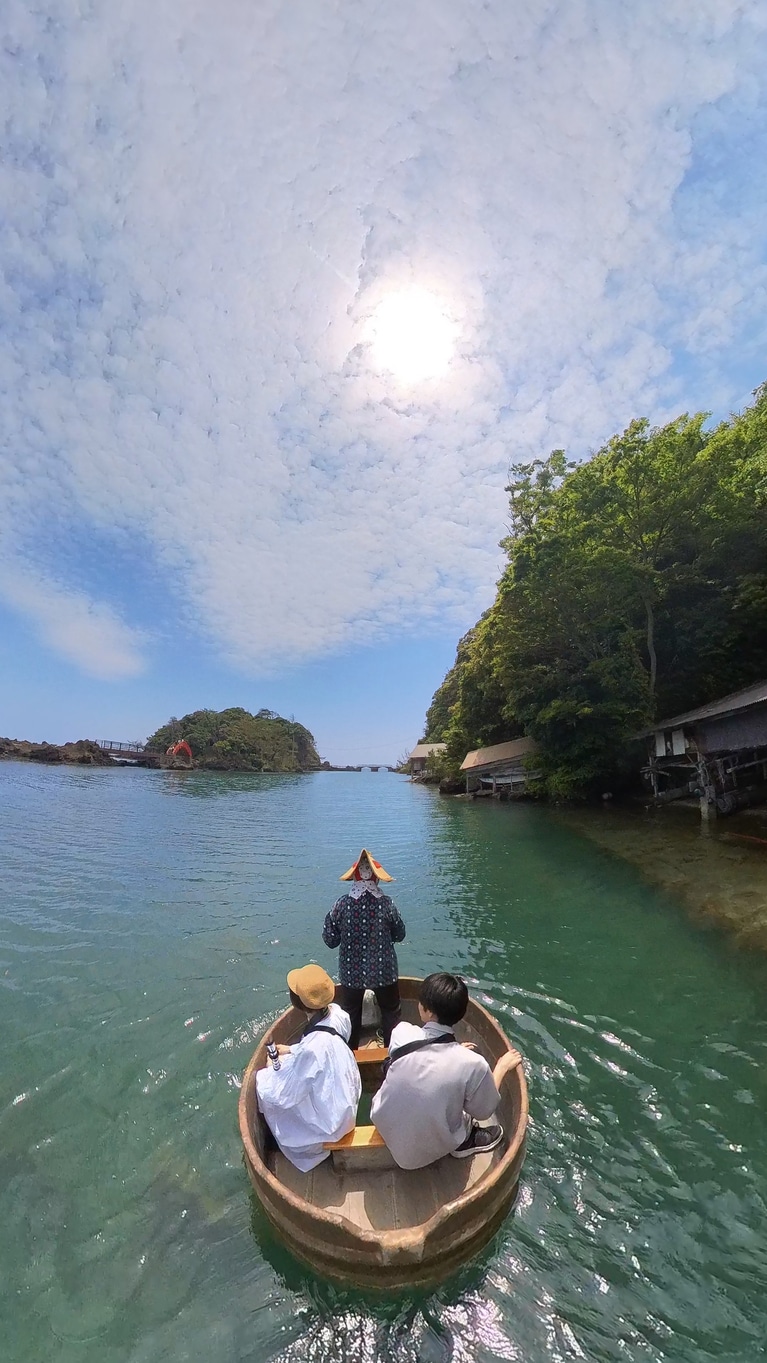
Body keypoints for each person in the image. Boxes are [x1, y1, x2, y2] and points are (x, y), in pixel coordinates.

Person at [371, 972, 521, 1170]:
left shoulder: (401, 1032)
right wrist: (501, 1067)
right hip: (420, 1156)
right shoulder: (472, 1063)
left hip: (384, 1123)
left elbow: (426, 1060)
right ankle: (464, 1141)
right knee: (464, 1101)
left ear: (426, 1010)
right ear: (460, 1014)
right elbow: (484, 1111)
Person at [255, 964, 361, 1172]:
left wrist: (267, 1073)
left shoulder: (312, 1050)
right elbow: (326, 1046)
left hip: (335, 1121)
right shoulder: (338, 1014)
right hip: (348, 1097)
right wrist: (293, 1050)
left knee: (267, 1090)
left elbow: (288, 1094)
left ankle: (285, 1142)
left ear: (300, 1003)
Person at [322, 848, 406, 1050]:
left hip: (352, 974)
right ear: (376, 879)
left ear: (355, 878)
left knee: (350, 1014)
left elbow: (330, 940)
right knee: (391, 1012)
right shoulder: (387, 904)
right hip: (384, 972)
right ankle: (392, 1054)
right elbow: (400, 935)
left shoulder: (341, 905)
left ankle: (350, 1054)